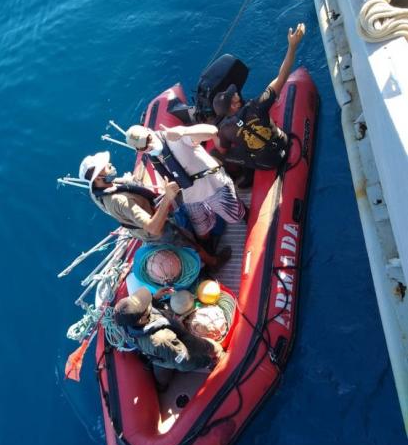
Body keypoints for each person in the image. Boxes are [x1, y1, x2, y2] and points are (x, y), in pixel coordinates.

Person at [78, 150, 230, 268]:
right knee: (189, 245)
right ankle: (213, 263)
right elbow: (154, 228)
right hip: (157, 231)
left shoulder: (97, 191)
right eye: (107, 167)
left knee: (185, 234)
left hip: (143, 221)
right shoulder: (120, 201)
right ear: (98, 177)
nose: (111, 166)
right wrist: (168, 197)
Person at [125, 122, 247, 241]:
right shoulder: (153, 156)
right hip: (190, 194)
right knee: (201, 229)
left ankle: (247, 217)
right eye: (143, 146)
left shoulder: (174, 137)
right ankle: (210, 248)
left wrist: (183, 131)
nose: (149, 145)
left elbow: (212, 130)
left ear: (149, 131)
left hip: (213, 186)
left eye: (149, 139)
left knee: (236, 216)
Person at [214, 23, 306, 171]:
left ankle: (245, 178)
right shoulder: (257, 105)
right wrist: (292, 46)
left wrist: (214, 137)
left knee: (220, 153)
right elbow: (282, 76)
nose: (236, 92)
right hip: (283, 144)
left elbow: (223, 150)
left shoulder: (225, 130)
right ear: (233, 105)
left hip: (266, 163)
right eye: (234, 95)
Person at [114, 286, 223, 390]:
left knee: (162, 376)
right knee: (209, 347)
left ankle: (161, 386)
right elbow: (185, 362)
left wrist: (155, 299)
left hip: (157, 356)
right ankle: (217, 357)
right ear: (142, 319)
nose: (148, 303)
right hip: (171, 349)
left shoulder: (126, 322)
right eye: (146, 305)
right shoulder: (161, 339)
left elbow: (140, 314)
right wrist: (206, 361)